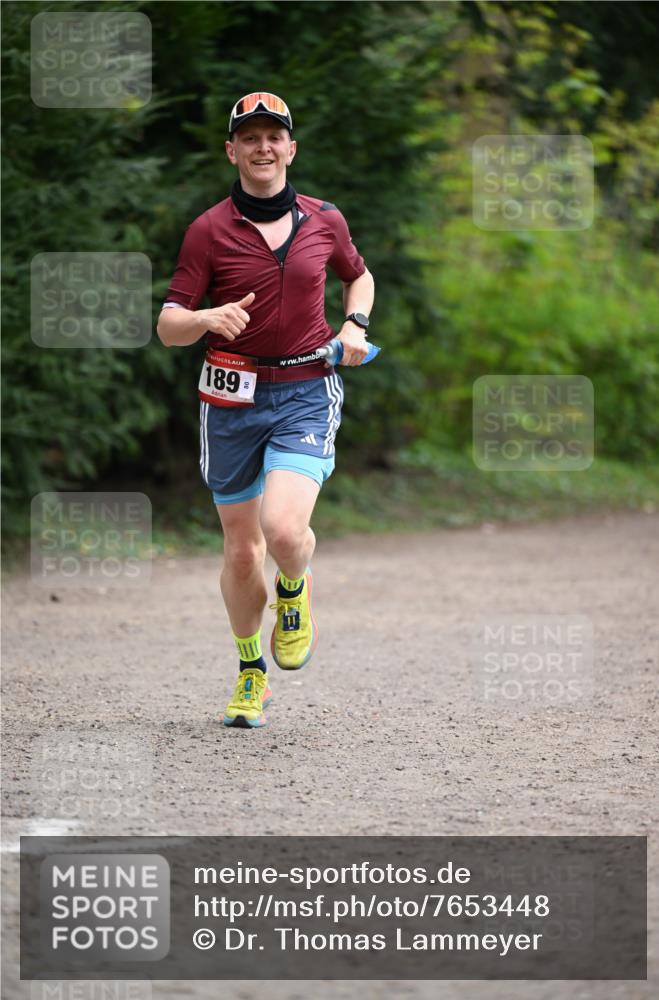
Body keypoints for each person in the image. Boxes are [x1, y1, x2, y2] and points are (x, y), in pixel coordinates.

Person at [156, 92, 374, 728]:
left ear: (291, 148)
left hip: (306, 388)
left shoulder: (324, 219)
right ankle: (251, 673)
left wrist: (356, 322)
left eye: (273, 136)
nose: (262, 147)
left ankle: (295, 588)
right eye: (249, 137)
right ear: (232, 150)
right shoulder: (208, 229)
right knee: (242, 550)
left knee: (283, 532)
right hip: (231, 399)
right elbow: (169, 325)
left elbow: (357, 275)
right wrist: (203, 317)